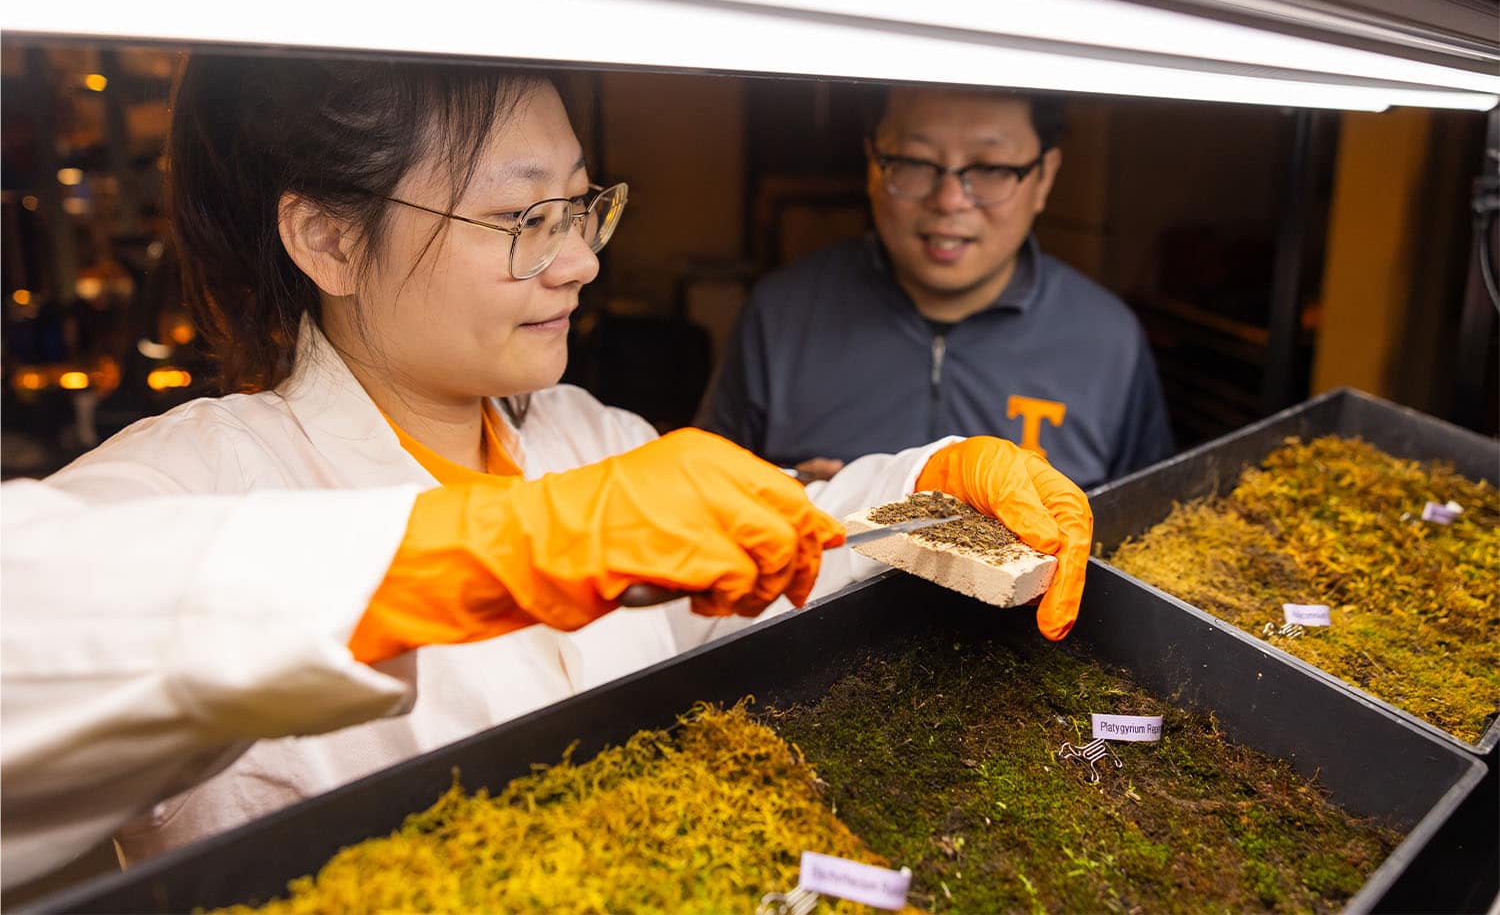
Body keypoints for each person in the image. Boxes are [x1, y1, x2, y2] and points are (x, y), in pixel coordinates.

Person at [1, 56, 1091, 885]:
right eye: (525, 217)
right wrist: (464, 555)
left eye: (579, 203)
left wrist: (937, 481)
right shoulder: (202, 479)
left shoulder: (584, 436)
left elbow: (774, 551)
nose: (581, 258)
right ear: (329, 238)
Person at [698, 85, 1173, 490]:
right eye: (915, 162)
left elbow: (1144, 536)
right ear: (872, 163)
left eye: (990, 169)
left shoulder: (1108, 339)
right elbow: (702, 496)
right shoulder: (781, 315)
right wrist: (778, 498)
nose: (949, 201)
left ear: (1044, 176)